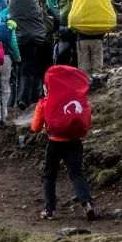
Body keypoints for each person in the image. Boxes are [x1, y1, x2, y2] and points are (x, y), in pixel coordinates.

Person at [31, 64, 96, 221]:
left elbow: (35, 128)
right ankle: (87, 204)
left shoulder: (45, 102)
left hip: (54, 142)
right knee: (76, 173)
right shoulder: (80, 99)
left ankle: (50, 210)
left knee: (49, 175)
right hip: (74, 142)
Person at [8, 0, 50, 108]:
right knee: (28, 68)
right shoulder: (35, 9)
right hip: (32, 40)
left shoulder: (13, 9)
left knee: (18, 70)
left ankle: (13, 100)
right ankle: (24, 98)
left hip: (17, 40)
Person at [66, 0, 117, 77]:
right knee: (97, 66)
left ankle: (85, 88)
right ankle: (97, 85)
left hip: (82, 39)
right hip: (98, 38)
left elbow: (71, 20)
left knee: (84, 68)